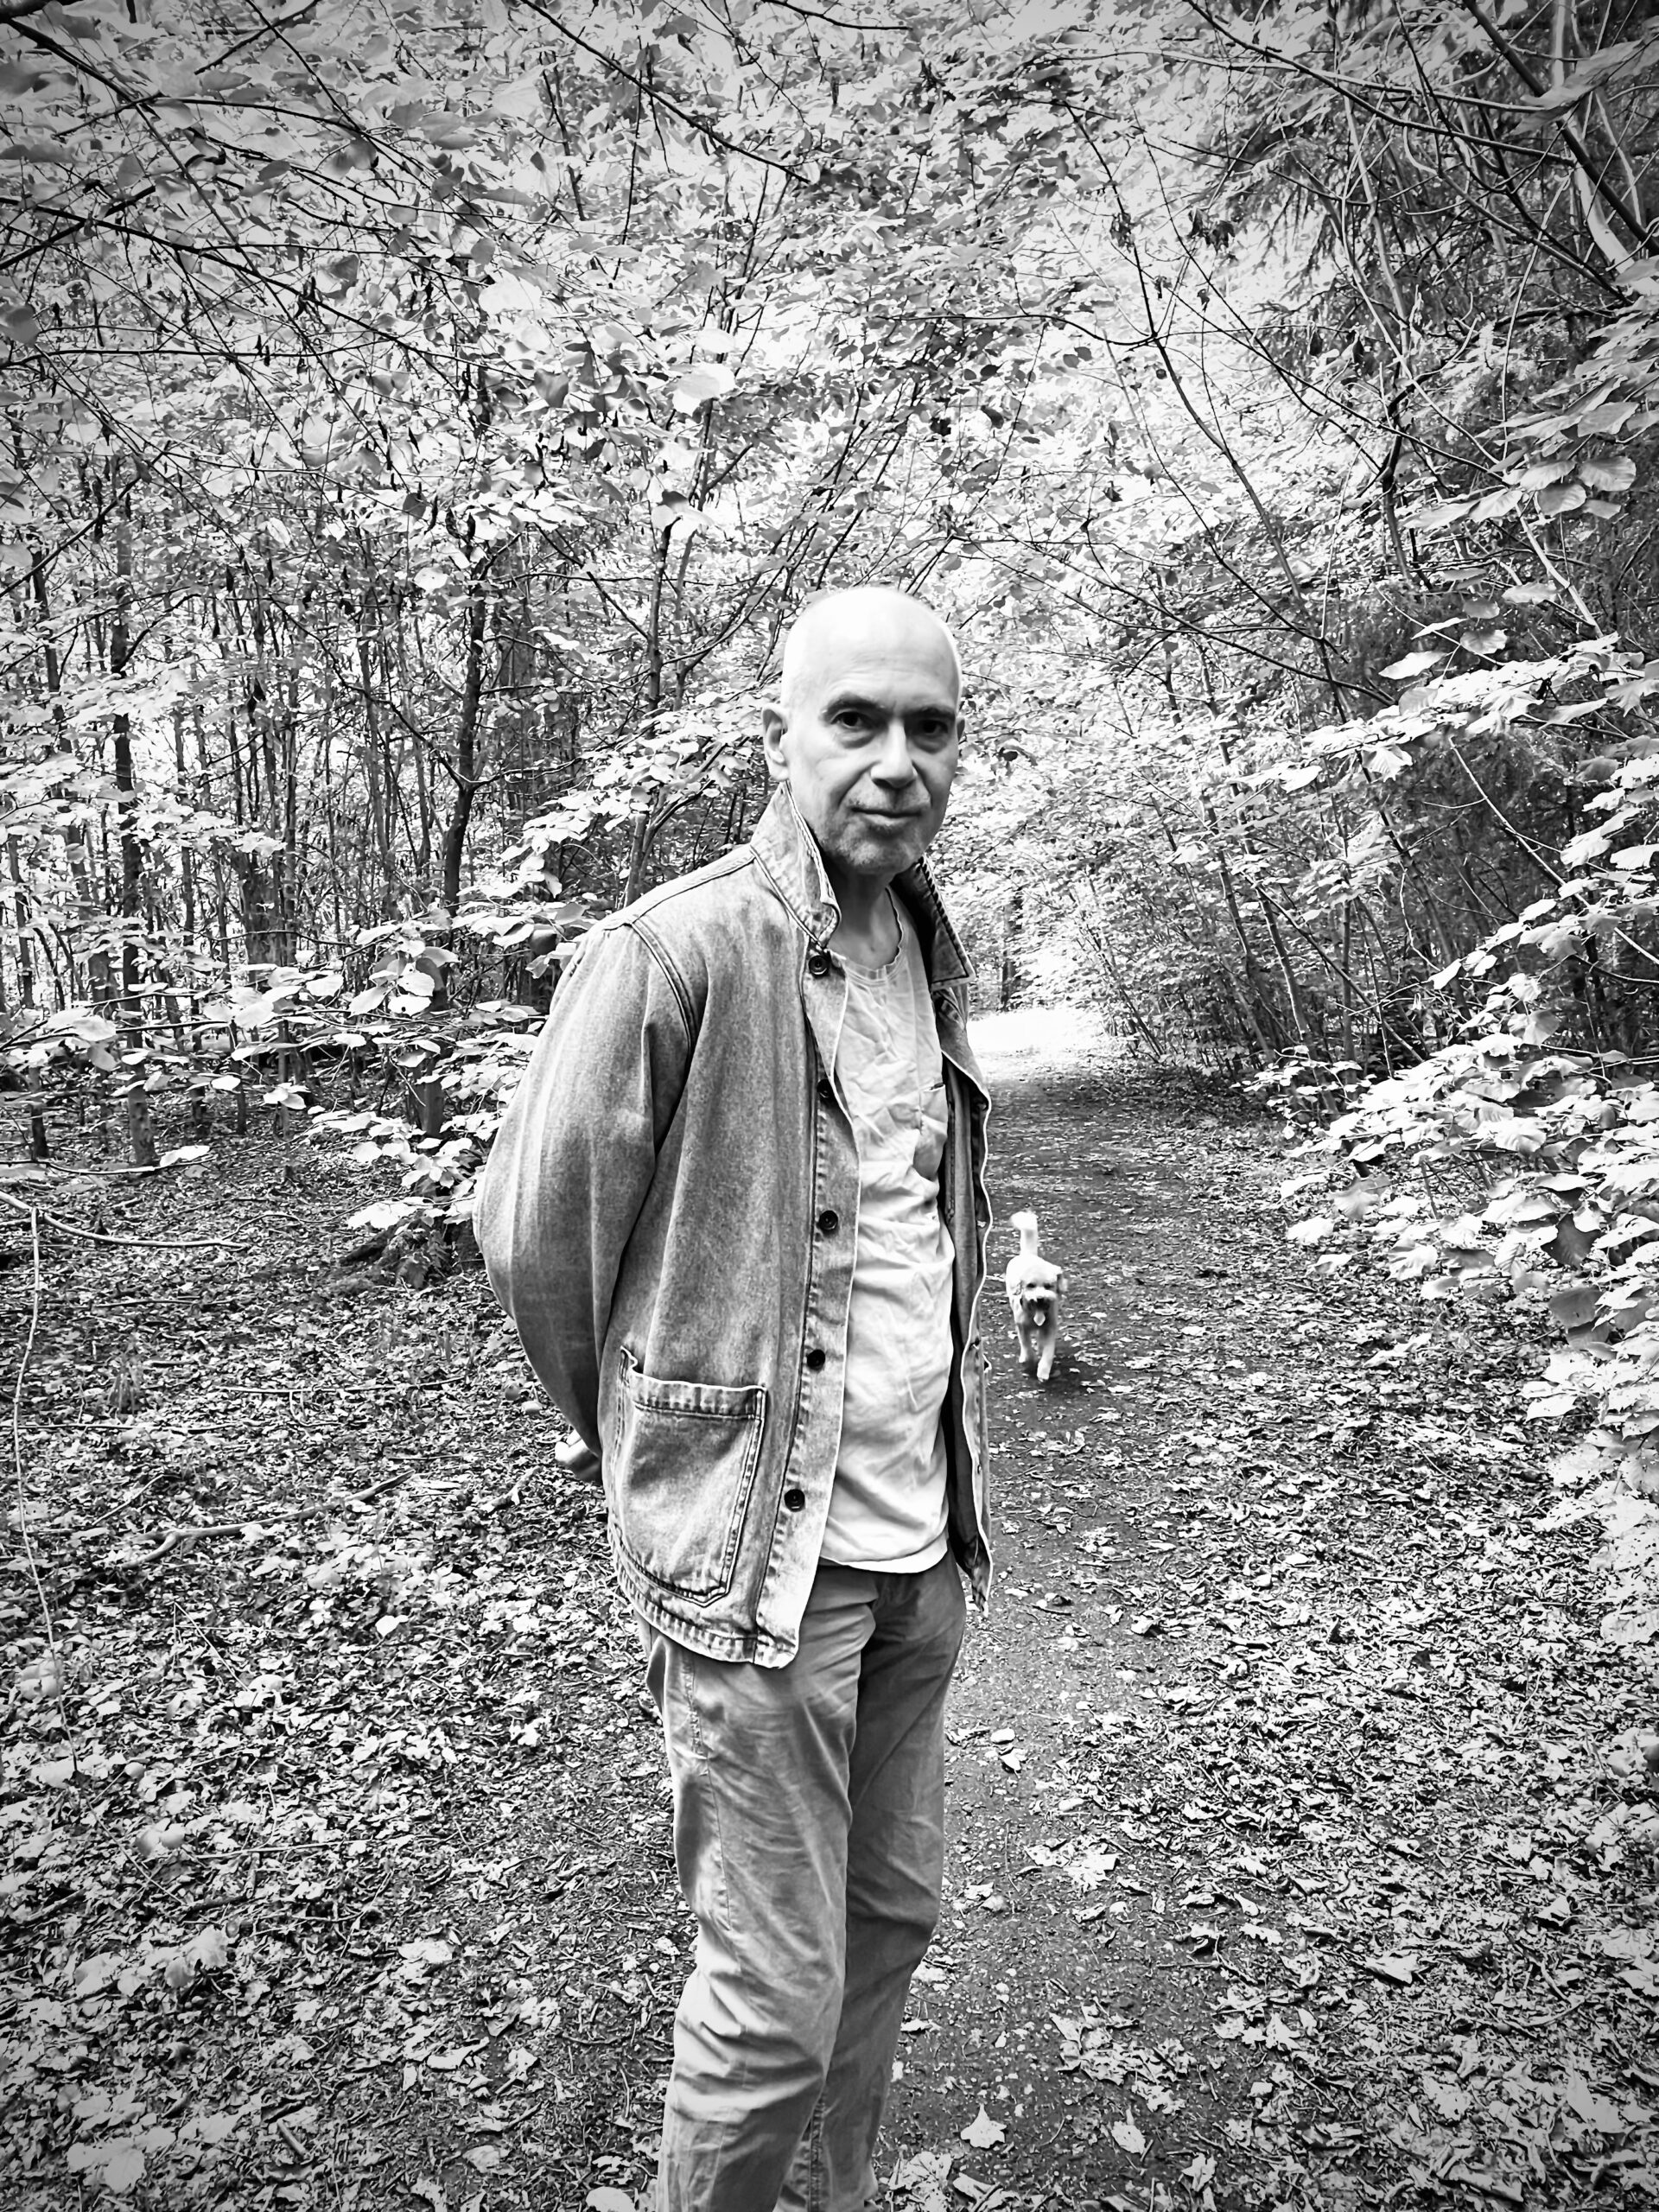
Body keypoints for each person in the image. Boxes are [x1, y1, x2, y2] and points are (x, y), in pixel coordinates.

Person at [475, 584, 994, 2212]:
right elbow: (537, 1235)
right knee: (770, 2003)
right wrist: (659, 1448)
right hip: (763, 1573)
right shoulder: (675, 950)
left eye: (930, 726)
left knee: (888, 1922)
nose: (896, 760)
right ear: (781, 737)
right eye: (857, 720)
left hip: (920, 1550)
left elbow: (920, 1239)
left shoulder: (931, 945)